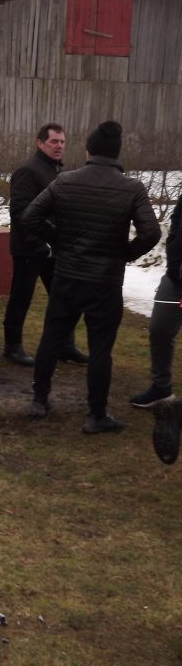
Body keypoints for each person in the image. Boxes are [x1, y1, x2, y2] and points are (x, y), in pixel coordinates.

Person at [23, 121, 161, 432]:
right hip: (105, 282)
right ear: (116, 153)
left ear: (88, 150)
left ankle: (39, 400)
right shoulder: (131, 188)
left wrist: (58, 241)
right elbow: (151, 233)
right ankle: (96, 415)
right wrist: (125, 253)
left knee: (52, 338)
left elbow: (30, 216)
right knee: (101, 349)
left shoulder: (65, 181)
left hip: (68, 275)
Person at [3, 124, 87, 366]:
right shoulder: (28, 171)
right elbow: (20, 211)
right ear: (40, 143)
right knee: (21, 297)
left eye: (62, 141)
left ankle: (65, 345)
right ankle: (12, 346)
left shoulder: (57, 172)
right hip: (29, 248)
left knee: (64, 297)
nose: (59, 145)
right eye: (54, 141)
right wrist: (38, 243)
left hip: (55, 248)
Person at [134, 191, 182, 464]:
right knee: (160, 328)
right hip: (175, 277)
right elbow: (176, 226)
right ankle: (161, 388)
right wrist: (175, 262)